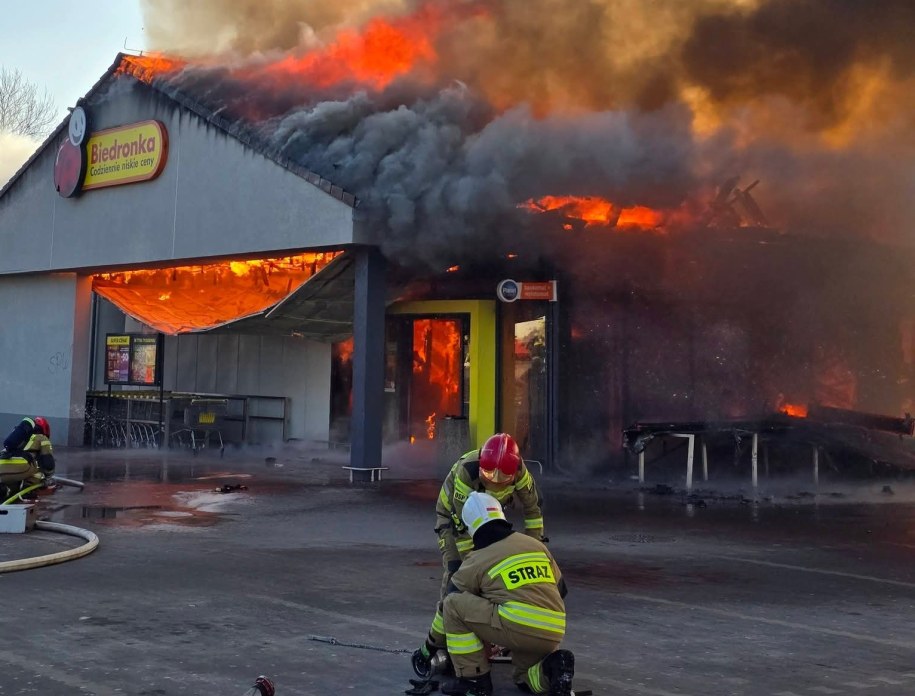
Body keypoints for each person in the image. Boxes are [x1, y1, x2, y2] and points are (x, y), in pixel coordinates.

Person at [415, 433, 546, 674]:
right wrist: (476, 565)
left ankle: (493, 630)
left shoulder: (519, 471)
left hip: (490, 517)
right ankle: (445, 635)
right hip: (455, 521)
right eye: (489, 475)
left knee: (499, 571)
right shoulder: (468, 471)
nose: (495, 481)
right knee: (457, 575)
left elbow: (533, 511)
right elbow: (464, 529)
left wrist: (533, 547)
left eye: (503, 478)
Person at [425, 491, 574, 696]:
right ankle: (554, 667)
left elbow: (447, 607)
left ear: (471, 527)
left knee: (453, 604)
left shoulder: (477, 559)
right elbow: (560, 590)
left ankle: (474, 681)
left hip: (516, 625)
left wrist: (430, 645)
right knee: (524, 677)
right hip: (553, 629)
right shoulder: (535, 546)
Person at [0, 416, 55, 501]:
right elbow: (48, 462)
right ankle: (27, 490)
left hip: (2, 464)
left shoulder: (19, 437)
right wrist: (48, 478)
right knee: (39, 471)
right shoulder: (42, 438)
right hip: (20, 465)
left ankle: (5, 491)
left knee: (10, 481)